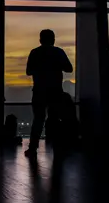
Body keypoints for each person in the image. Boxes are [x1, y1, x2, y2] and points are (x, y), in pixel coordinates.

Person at [24, 29, 73, 157]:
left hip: (39, 90)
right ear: (53, 39)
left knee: (38, 119)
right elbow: (69, 68)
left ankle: (33, 148)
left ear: (40, 40)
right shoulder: (58, 52)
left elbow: (28, 71)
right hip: (55, 91)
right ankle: (58, 147)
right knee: (55, 120)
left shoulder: (35, 53)